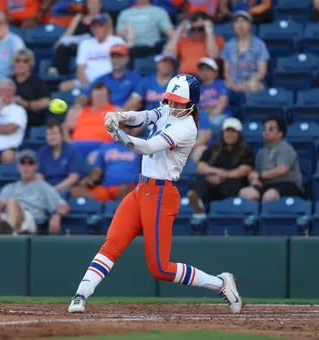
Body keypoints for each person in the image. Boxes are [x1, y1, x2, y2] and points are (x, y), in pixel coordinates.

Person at [67, 74, 242, 314]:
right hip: (142, 190)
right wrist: (121, 116)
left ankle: (220, 283)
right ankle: (81, 294)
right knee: (112, 243)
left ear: (192, 102)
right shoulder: (168, 109)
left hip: (161, 194)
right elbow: (146, 116)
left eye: (179, 101)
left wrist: (118, 134)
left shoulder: (187, 127)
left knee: (160, 268)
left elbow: (148, 146)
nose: (173, 105)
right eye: (171, 100)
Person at [0, 150, 71, 235]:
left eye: (30, 163)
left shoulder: (43, 186)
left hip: (30, 220)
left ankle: (9, 236)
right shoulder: (9, 187)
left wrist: (57, 216)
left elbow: (64, 206)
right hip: (7, 217)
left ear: (36, 167)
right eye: (23, 163)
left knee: (12, 201)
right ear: (18, 166)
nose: (26, 167)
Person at [188, 118, 254, 213]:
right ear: (223, 133)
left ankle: (225, 212)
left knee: (231, 186)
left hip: (233, 182)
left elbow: (244, 170)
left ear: (239, 134)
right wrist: (217, 173)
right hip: (213, 180)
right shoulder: (213, 149)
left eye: (233, 132)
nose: (230, 135)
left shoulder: (246, 150)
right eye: (227, 131)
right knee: (201, 181)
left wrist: (222, 177)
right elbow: (200, 167)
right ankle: (199, 209)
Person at [239, 117, 304, 202]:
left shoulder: (285, 148)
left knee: (270, 195)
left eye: (271, 129)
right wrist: (254, 180)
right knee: (245, 193)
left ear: (280, 133)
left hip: (288, 184)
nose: (266, 131)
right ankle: (251, 215)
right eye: (264, 129)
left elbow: (282, 170)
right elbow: (255, 172)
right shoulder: (261, 152)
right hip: (267, 185)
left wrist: (260, 176)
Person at [70, 126, 142, 202]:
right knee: (75, 191)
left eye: (123, 129)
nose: (119, 132)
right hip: (107, 187)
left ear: (130, 130)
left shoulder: (138, 146)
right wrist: (88, 179)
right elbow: (97, 169)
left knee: (125, 189)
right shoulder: (106, 146)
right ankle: (99, 207)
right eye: (117, 129)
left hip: (129, 187)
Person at [59, 14, 126, 92]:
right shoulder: (85, 44)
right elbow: (80, 70)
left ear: (107, 27)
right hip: (88, 82)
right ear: (91, 28)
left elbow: (122, 65)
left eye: (100, 26)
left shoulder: (117, 41)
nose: (97, 29)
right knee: (63, 86)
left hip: (110, 80)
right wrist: (88, 87)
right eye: (94, 26)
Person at [53, 0, 113, 76]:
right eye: (91, 3)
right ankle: (61, 75)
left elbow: (110, 34)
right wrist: (60, 42)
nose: (93, 5)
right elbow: (69, 32)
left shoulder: (105, 16)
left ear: (100, 5)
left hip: (95, 45)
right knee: (62, 47)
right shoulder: (79, 16)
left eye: (95, 3)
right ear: (86, 5)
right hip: (78, 45)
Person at [74, 44, 140, 108]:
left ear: (127, 59)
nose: (116, 60)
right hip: (100, 114)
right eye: (113, 57)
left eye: (119, 56)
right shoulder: (102, 78)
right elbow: (84, 96)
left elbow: (137, 102)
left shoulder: (135, 77)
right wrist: (78, 106)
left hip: (122, 115)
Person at [221, 11, 269, 97]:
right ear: (233, 26)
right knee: (222, 87)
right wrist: (233, 84)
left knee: (253, 85)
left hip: (252, 81)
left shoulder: (259, 44)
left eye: (244, 21)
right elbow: (226, 72)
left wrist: (245, 84)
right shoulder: (228, 45)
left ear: (250, 25)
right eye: (237, 22)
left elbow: (262, 72)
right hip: (233, 83)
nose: (240, 25)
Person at [65, 83, 116, 158]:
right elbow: (65, 129)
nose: (100, 98)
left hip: (103, 147)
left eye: (102, 95)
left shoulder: (116, 111)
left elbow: (129, 128)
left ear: (108, 96)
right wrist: (69, 144)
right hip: (77, 146)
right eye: (97, 95)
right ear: (91, 97)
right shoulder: (78, 111)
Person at [37, 121, 84, 198]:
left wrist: (55, 189)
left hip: (65, 188)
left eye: (54, 134)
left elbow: (73, 177)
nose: (51, 137)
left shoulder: (71, 151)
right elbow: (38, 175)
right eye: (49, 134)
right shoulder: (42, 152)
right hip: (47, 188)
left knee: (60, 194)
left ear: (62, 136)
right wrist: (46, 189)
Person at [11, 48, 51, 128]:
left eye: (25, 61)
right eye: (17, 61)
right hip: (10, 119)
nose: (21, 64)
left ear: (31, 64)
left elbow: (46, 102)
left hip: (31, 121)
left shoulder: (38, 82)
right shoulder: (8, 81)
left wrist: (25, 103)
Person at [198, 57, 231, 130]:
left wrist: (210, 116)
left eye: (208, 69)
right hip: (203, 116)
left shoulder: (221, 84)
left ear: (216, 72)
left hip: (220, 115)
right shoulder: (197, 88)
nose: (204, 72)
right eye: (202, 70)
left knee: (213, 123)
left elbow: (222, 104)